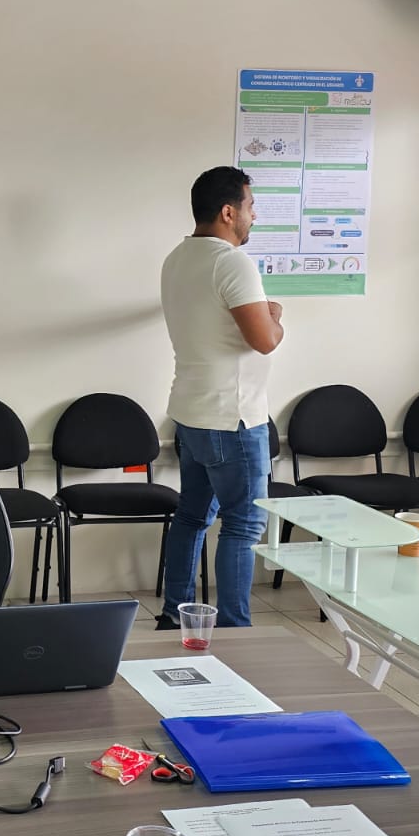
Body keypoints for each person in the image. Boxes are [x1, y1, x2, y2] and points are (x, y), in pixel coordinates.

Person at [156, 166, 284, 630]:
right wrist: (276, 315)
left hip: (191, 412)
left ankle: (174, 615)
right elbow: (264, 340)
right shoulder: (232, 262)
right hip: (233, 418)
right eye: (251, 206)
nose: (255, 216)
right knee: (243, 525)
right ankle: (234, 629)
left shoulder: (177, 258)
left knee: (191, 517)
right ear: (229, 212)